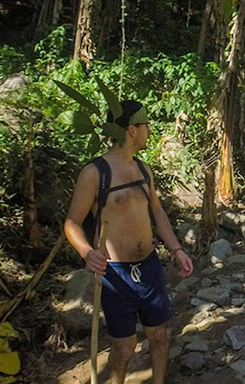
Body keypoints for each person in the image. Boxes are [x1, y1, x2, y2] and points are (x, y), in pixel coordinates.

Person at [64, 100, 193, 384]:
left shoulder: (144, 170)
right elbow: (72, 223)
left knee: (159, 335)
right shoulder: (95, 173)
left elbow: (157, 212)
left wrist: (176, 249)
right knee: (123, 346)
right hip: (115, 275)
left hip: (149, 268)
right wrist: (87, 252)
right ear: (132, 130)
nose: (150, 131)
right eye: (146, 125)